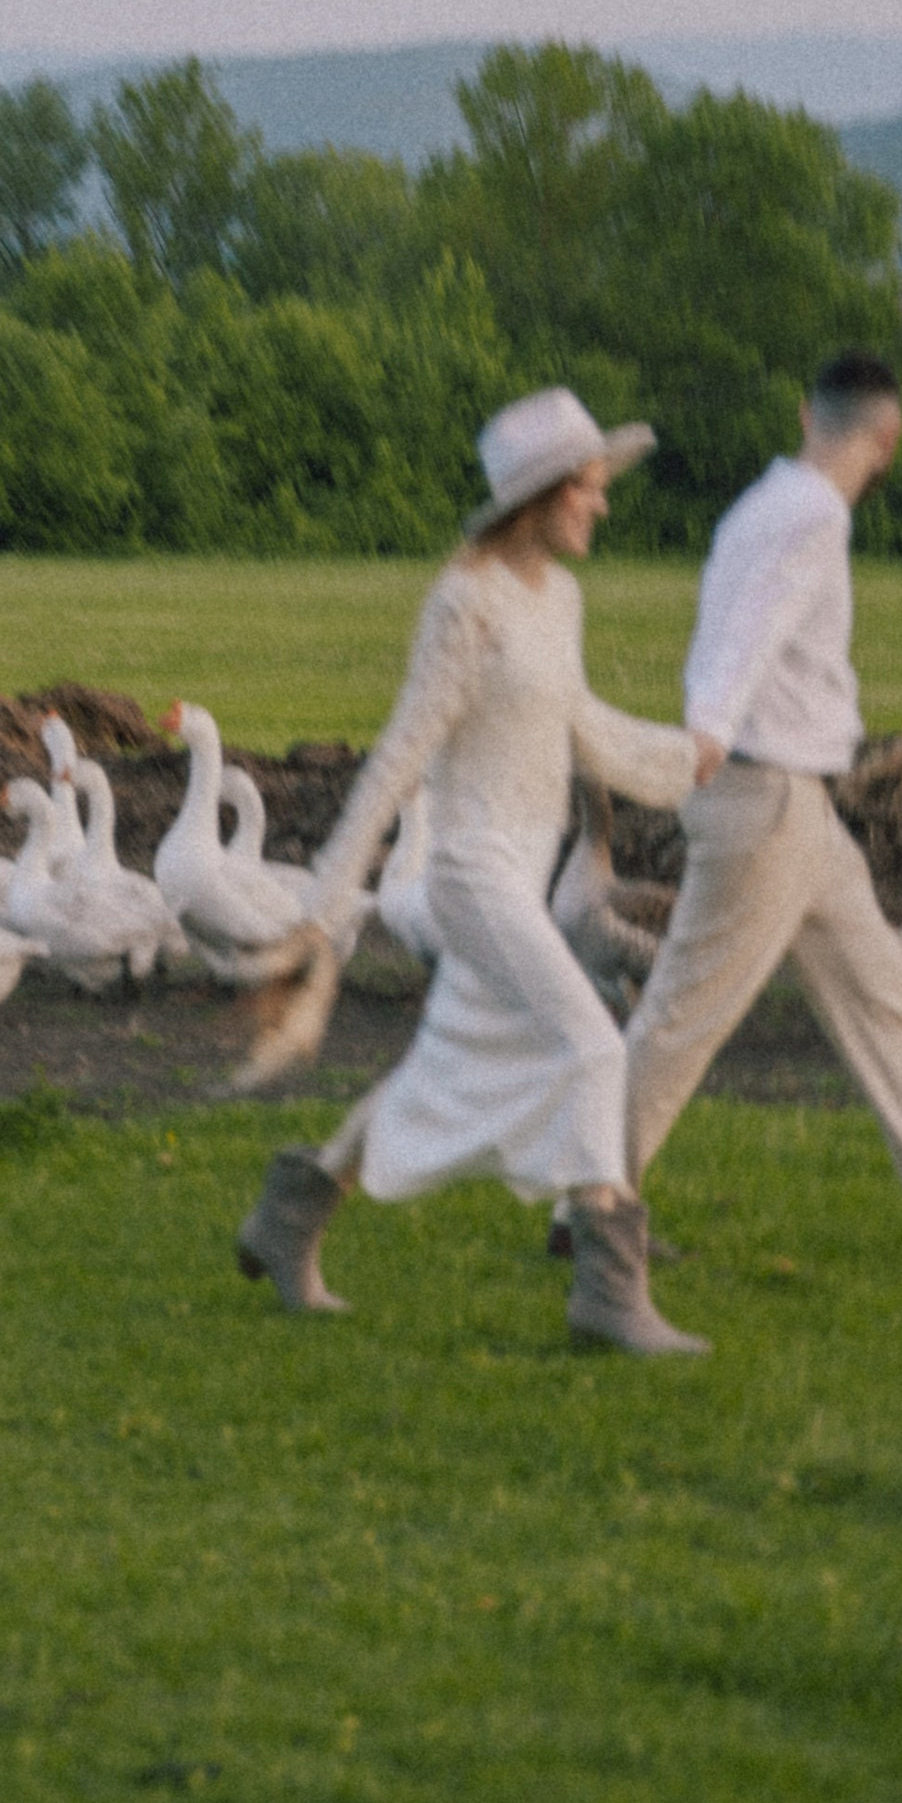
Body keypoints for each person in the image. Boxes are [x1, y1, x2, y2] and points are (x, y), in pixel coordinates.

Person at [232, 387, 726, 1356]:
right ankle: (606, 1293)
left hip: (525, 873)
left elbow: (575, 723)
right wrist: (323, 906)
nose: (603, 503)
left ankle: (287, 1218)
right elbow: (400, 755)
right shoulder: (464, 603)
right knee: (593, 1044)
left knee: (440, 1075)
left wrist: (681, 757)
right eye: (586, 487)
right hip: (469, 874)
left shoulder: (560, 598)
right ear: (537, 498)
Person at [621, 351, 902, 1256]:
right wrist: (704, 727)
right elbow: (748, 631)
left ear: (803, 415)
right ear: (889, 439)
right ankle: (590, 1205)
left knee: (874, 988)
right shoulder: (812, 513)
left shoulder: (763, 500)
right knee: (684, 1013)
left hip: (798, 808)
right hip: (761, 794)